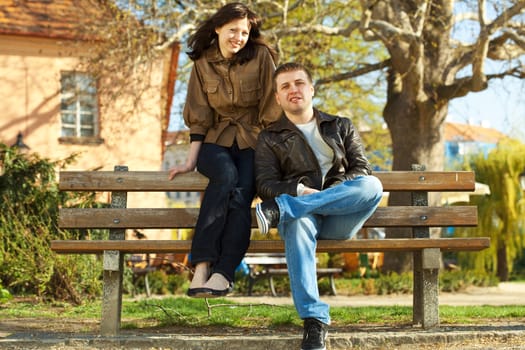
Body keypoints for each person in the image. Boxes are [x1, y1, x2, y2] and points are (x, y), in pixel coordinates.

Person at [254, 62, 383, 350]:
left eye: (299, 83)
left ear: (311, 89)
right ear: (277, 97)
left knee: (373, 186)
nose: (293, 90)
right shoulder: (270, 138)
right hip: (305, 217)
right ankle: (314, 322)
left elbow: (362, 170)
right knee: (298, 223)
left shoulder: (341, 126)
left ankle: (284, 210)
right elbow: (264, 184)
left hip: (341, 217)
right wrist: (300, 191)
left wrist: (331, 194)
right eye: (285, 86)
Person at [168, 2, 281, 298]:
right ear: (218, 28)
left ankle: (224, 272)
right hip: (215, 142)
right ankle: (202, 264)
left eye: (244, 32)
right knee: (226, 177)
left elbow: (271, 109)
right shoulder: (202, 63)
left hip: (253, 142)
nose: (239, 37)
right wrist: (189, 161)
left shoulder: (262, 57)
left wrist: (271, 158)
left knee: (241, 195)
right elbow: (199, 115)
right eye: (233, 30)